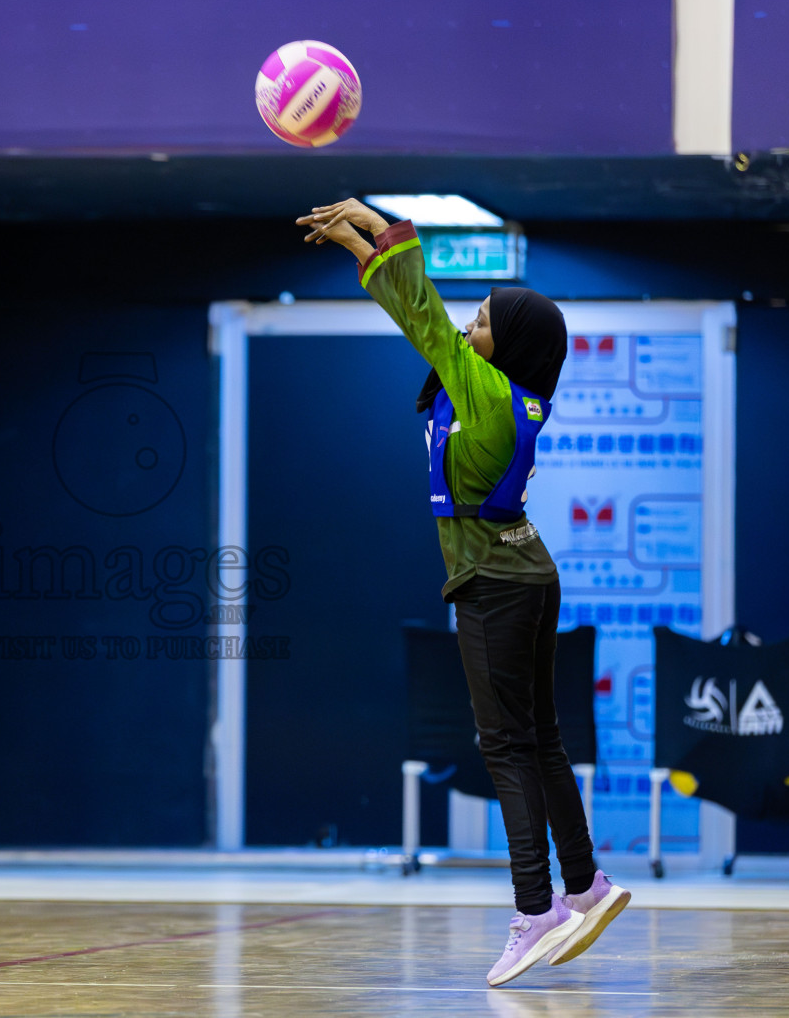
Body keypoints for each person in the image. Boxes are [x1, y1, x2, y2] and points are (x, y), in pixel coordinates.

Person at [299, 200, 630, 987]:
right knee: (539, 737)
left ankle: (536, 908)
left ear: (503, 343)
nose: (468, 326)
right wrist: (360, 241)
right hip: (529, 571)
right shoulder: (508, 392)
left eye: (481, 319)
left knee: (504, 746)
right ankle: (584, 885)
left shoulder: (480, 388)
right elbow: (425, 319)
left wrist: (384, 228)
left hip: (492, 582)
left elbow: (422, 318)